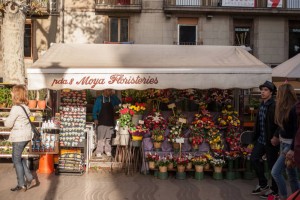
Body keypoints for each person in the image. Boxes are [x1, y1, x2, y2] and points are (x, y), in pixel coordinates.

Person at [4, 85, 38, 192]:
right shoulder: (25, 107)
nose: (11, 94)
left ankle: (22, 183)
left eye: (13, 92)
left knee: (16, 160)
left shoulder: (15, 108)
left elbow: (8, 124)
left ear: (16, 94)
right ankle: (28, 179)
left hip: (19, 137)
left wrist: (5, 120)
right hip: (26, 136)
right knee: (17, 158)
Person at [250, 80, 280, 199]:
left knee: (273, 166)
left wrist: (276, 136)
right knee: (254, 158)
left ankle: (275, 191)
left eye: (265, 90)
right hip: (261, 139)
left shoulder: (274, 105)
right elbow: (258, 123)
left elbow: (279, 122)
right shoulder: (262, 104)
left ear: (271, 92)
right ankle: (263, 184)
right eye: (262, 90)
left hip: (271, 140)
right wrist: (254, 138)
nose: (262, 92)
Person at [271, 83, 299, 200]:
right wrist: (276, 136)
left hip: (289, 144)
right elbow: (280, 126)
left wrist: (292, 149)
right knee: (291, 175)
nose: (277, 95)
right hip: (284, 143)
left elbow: (297, 131)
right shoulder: (284, 108)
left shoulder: (294, 109)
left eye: (278, 92)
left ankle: (283, 197)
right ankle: (295, 197)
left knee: (275, 172)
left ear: (284, 94)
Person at [92, 89, 121, 157]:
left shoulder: (112, 99)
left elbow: (119, 102)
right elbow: (94, 110)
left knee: (108, 138)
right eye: (108, 91)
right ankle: (99, 151)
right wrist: (95, 118)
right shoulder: (99, 99)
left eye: (110, 91)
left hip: (110, 121)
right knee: (101, 138)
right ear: (104, 91)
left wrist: (113, 95)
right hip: (101, 121)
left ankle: (108, 151)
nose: (110, 92)